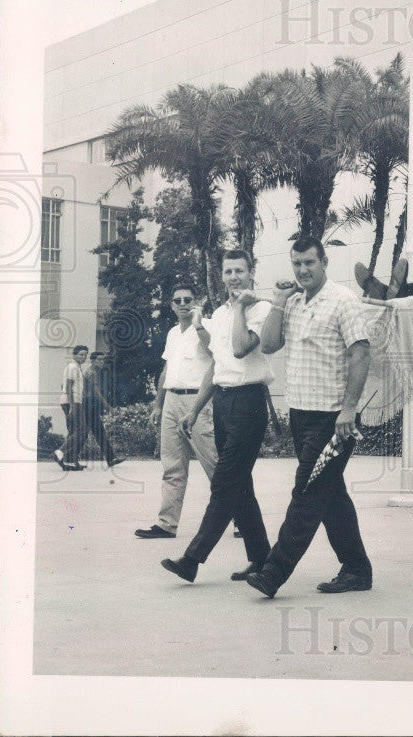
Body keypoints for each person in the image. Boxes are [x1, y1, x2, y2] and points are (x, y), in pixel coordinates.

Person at [245, 236, 374, 598]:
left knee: (305, 494)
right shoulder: (294, 303)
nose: (302, 270)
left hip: (333, 419)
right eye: (297, 263)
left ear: (324, 262)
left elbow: (361, 354)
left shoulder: (343, 301)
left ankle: (273, 572)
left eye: (309, 263)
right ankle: (357, 569)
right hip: (301, 416)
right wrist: (279, 303)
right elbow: (268, 345)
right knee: (330, 496)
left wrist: (349, 408)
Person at [161, 249, 273, 583]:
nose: (234, 277)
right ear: (221, 276)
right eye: (228, 271)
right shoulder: (221, 313)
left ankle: (192, 559)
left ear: (251, 273)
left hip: (250, 403)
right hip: (223, 403)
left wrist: (240, 307)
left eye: (240, 270)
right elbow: (217, 363)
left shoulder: (261, 309)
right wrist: (195, 410)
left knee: (225, 483)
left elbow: (240, 348)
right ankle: (262, 558)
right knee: (241, 487)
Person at [135, 284, 220, 539]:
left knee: (214, 464)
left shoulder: (206, 326)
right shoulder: (173, 333)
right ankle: (166, 523)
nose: (183, 304)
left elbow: (215, 352)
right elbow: (166, 371)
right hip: (172, 400)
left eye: (188, 300)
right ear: (172, 305)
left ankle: (241, 518)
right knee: (172, 466)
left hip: (198, 401)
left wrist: (198, 324)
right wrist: (158, 404)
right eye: (178, 300)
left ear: (196, 302)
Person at [53, 345, 89, 471]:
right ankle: (60, 452)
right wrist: (72, 407)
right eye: (80, 354)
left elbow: (64, 385)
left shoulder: (76, 368)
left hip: (72, 401)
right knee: (82, 430)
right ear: (74, 355)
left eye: (85, 355)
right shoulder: (72, 367)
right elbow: (68, 387)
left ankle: (71, 461)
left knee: (74, 431)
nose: (83, 357)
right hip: (72, 402)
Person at [82, 352, 121, 467]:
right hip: (89, 404)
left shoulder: (90, 371)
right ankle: (64, 454)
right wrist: (108, 407)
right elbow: (96, 392)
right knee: (93, 432)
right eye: (99, 359)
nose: (102, 362)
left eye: (102, 360)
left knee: (96, 432)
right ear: (93, 360)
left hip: (89, 404)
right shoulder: (91, 373)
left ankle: (111, 458)